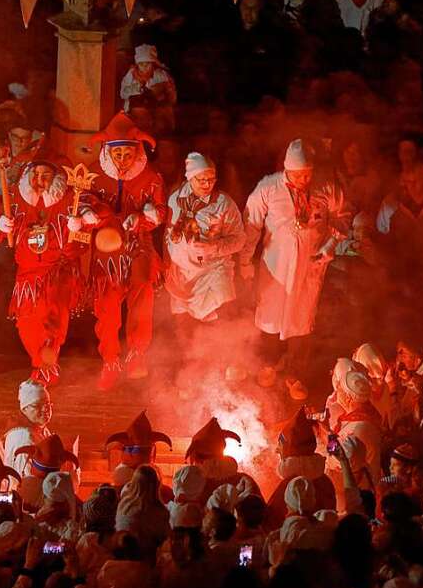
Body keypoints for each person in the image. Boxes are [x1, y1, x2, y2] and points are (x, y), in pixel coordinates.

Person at [240, 139, 351, 374]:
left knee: (302, 319)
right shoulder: (268, 188)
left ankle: (295, 374)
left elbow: (344, 216)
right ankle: (267, 366)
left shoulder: (326, 187)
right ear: (286, 170)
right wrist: (244, 260)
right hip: (275, 267)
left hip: (309, 266)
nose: (304, 180)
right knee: (269, 317)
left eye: (307, 174)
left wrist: (331, 244)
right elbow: (251, 226)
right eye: (298, 175)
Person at [84, 112, 167, 389]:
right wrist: (89, 214)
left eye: (127, 152)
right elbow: (82, 201)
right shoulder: (94, 173)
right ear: (108, 151)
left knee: (142, 296)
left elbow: (161, 211)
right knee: (106, 308)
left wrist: (144, 218)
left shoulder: (151, 176)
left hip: (137, 245)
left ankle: (137, 354)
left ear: (137, 151)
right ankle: (110, 360)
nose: (122, 159)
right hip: (106, 250)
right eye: (116, 153)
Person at [0, 156, 84, 383]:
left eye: (45, 175)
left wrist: (83, 222)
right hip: (27, 274)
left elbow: (89, 226)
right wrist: (0, 223)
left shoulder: (69, 199)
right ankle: (42, 364)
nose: (39, 180)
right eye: (35, 175)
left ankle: (45, 366)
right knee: (26, 324)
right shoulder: (16, 198)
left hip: (57, 272)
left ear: (54, 179)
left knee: (53, 321)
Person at [163, 152, 245, 323]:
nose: (208, 184)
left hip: (213, 270)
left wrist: (214, 247)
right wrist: (167, 264)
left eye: (212, 179)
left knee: (220, 312)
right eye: (202, 179)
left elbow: (239, 239)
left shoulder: (224, 203)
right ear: (190, 178)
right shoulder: (175, 199)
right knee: (184, 325)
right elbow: (167, 236)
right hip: (183, 273)